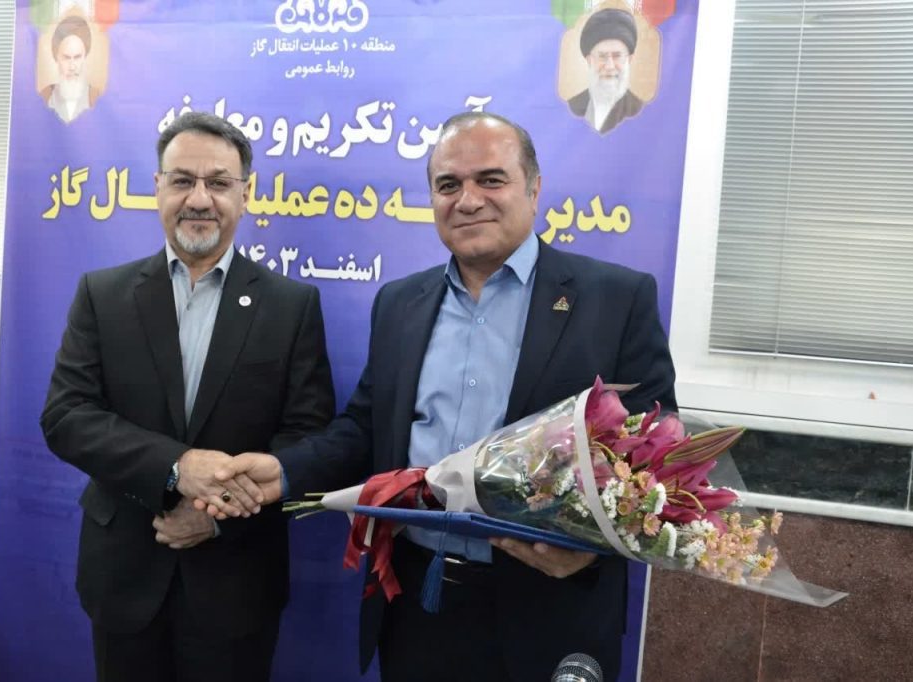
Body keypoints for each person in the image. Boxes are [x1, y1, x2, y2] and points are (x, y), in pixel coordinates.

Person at [206, 111, 677, 682]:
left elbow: (656, 454)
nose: (468, 200)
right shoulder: (400, 304)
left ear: (534, 190)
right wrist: (283, 471)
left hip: (549, 607)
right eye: (448, 185)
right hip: (417, 602)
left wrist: (592, 547)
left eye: (491, 180)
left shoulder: (615, 300)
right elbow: (364, 428)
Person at [40, 112, 335, 682]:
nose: (199, 199)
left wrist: (217, 519)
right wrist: (177, 467)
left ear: (245, 195)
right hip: (124, 573)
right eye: (182, 180)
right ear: (157, 188)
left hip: (236, 582)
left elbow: (307, 440)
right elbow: (67, 417)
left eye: (218, 182)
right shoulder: (102, 295)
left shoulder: (291, 306)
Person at [567, 8, 644, 134]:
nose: (609, 66)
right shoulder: (571, 108)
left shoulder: (640, 111)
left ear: (629, 60)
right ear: (589, 60)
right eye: (602, 56)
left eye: (617, 56)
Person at [41, 15, 102, 123]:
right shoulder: (45, 96)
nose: (72, 67)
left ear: (85, 57)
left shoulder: (96, 97)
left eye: (77, 57)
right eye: (66, 58)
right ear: (56, 58)